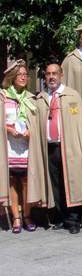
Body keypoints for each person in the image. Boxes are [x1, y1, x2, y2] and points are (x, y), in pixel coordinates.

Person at [35, 63, 82, 234]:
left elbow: (79, 125)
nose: (51, 77)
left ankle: (73, 219)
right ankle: (60, 216)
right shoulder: (42, 98)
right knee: (56, 184)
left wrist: (80, 148)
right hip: (50, 147)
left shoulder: (72, 96)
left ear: (61, 75)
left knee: (71, 182)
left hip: (68, 147)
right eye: (48, 74)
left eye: (54, 73)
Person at [1, 60, 43, 233]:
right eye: (20, 74)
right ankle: (16, 217)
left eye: (26, 74)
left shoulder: (31, 97)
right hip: (9, 146)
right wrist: (8, 129)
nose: (24, 77)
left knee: (26, 182)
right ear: (12, 77)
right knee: (11, 181)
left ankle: (27, 215)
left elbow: (37, 123)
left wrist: (30, 131)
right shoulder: (3, 97)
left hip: (26, 147)